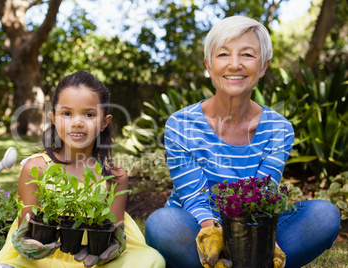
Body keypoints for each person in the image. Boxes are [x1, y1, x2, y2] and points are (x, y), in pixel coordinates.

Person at [145, 15, 341, 268]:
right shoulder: (181, 124)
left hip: (253, 227)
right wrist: (215, 235)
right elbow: (194, 197)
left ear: (263, 67)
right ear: (209, 64)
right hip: (196, 226)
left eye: (247, 55)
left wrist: (262, 242)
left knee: (324, 215)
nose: (234, 64)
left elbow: (263, 193)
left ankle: (245, 260)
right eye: (223, 54)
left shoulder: (279, 128)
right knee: (163, 223)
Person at [0, 71, 165, 268]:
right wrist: (27, 245)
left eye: (89, 114)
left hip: (93, 261)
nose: (77, 122)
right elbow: (25, 229)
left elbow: (111, 233)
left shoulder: (114, 176)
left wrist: (113, 247)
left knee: (151, 260)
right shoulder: (36, 168)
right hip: (40, 260)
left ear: (104, 122)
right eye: (67, 113)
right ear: (53, 118)